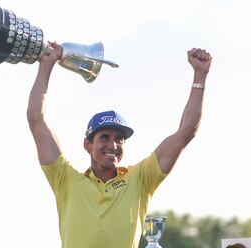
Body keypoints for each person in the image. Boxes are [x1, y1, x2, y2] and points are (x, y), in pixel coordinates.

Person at [27, 41, 212, 248]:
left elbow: (186, 132)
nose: (112, 144)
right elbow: (36, 120)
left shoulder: (140, 179)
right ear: (87, 144)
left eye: (119, 139)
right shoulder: (65, 180)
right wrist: (46, 66)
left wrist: (200, 76)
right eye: (104, 137)